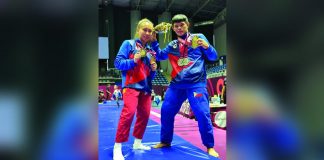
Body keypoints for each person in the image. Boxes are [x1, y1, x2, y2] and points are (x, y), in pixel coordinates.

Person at [151, 14, 219, 157]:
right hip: (176, 86)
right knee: (166, 111)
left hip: (196, 85)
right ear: (173, 28)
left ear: (187, 25)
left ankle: (209, 146)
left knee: (202, 113)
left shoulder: (198, 38)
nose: (179, 28)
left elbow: (213, 57)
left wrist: (208, 47)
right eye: (176, 26)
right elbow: (159, 56)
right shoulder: (172, 45)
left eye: (182, 25)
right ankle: (165, 141)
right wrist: (154, 39)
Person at [113, 18, 157, 160]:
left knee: (144, 115)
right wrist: (133, 60)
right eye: (145, 29)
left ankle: (137, 142)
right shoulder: (128, 44)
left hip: (146, 88)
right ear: (138, 30)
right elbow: (118, 63)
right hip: (131, 86)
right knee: (129, 113)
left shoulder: (150, 50)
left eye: (150, 31)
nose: (147, 32)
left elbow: (150, 73)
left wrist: (154, 69)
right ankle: (117, 147)